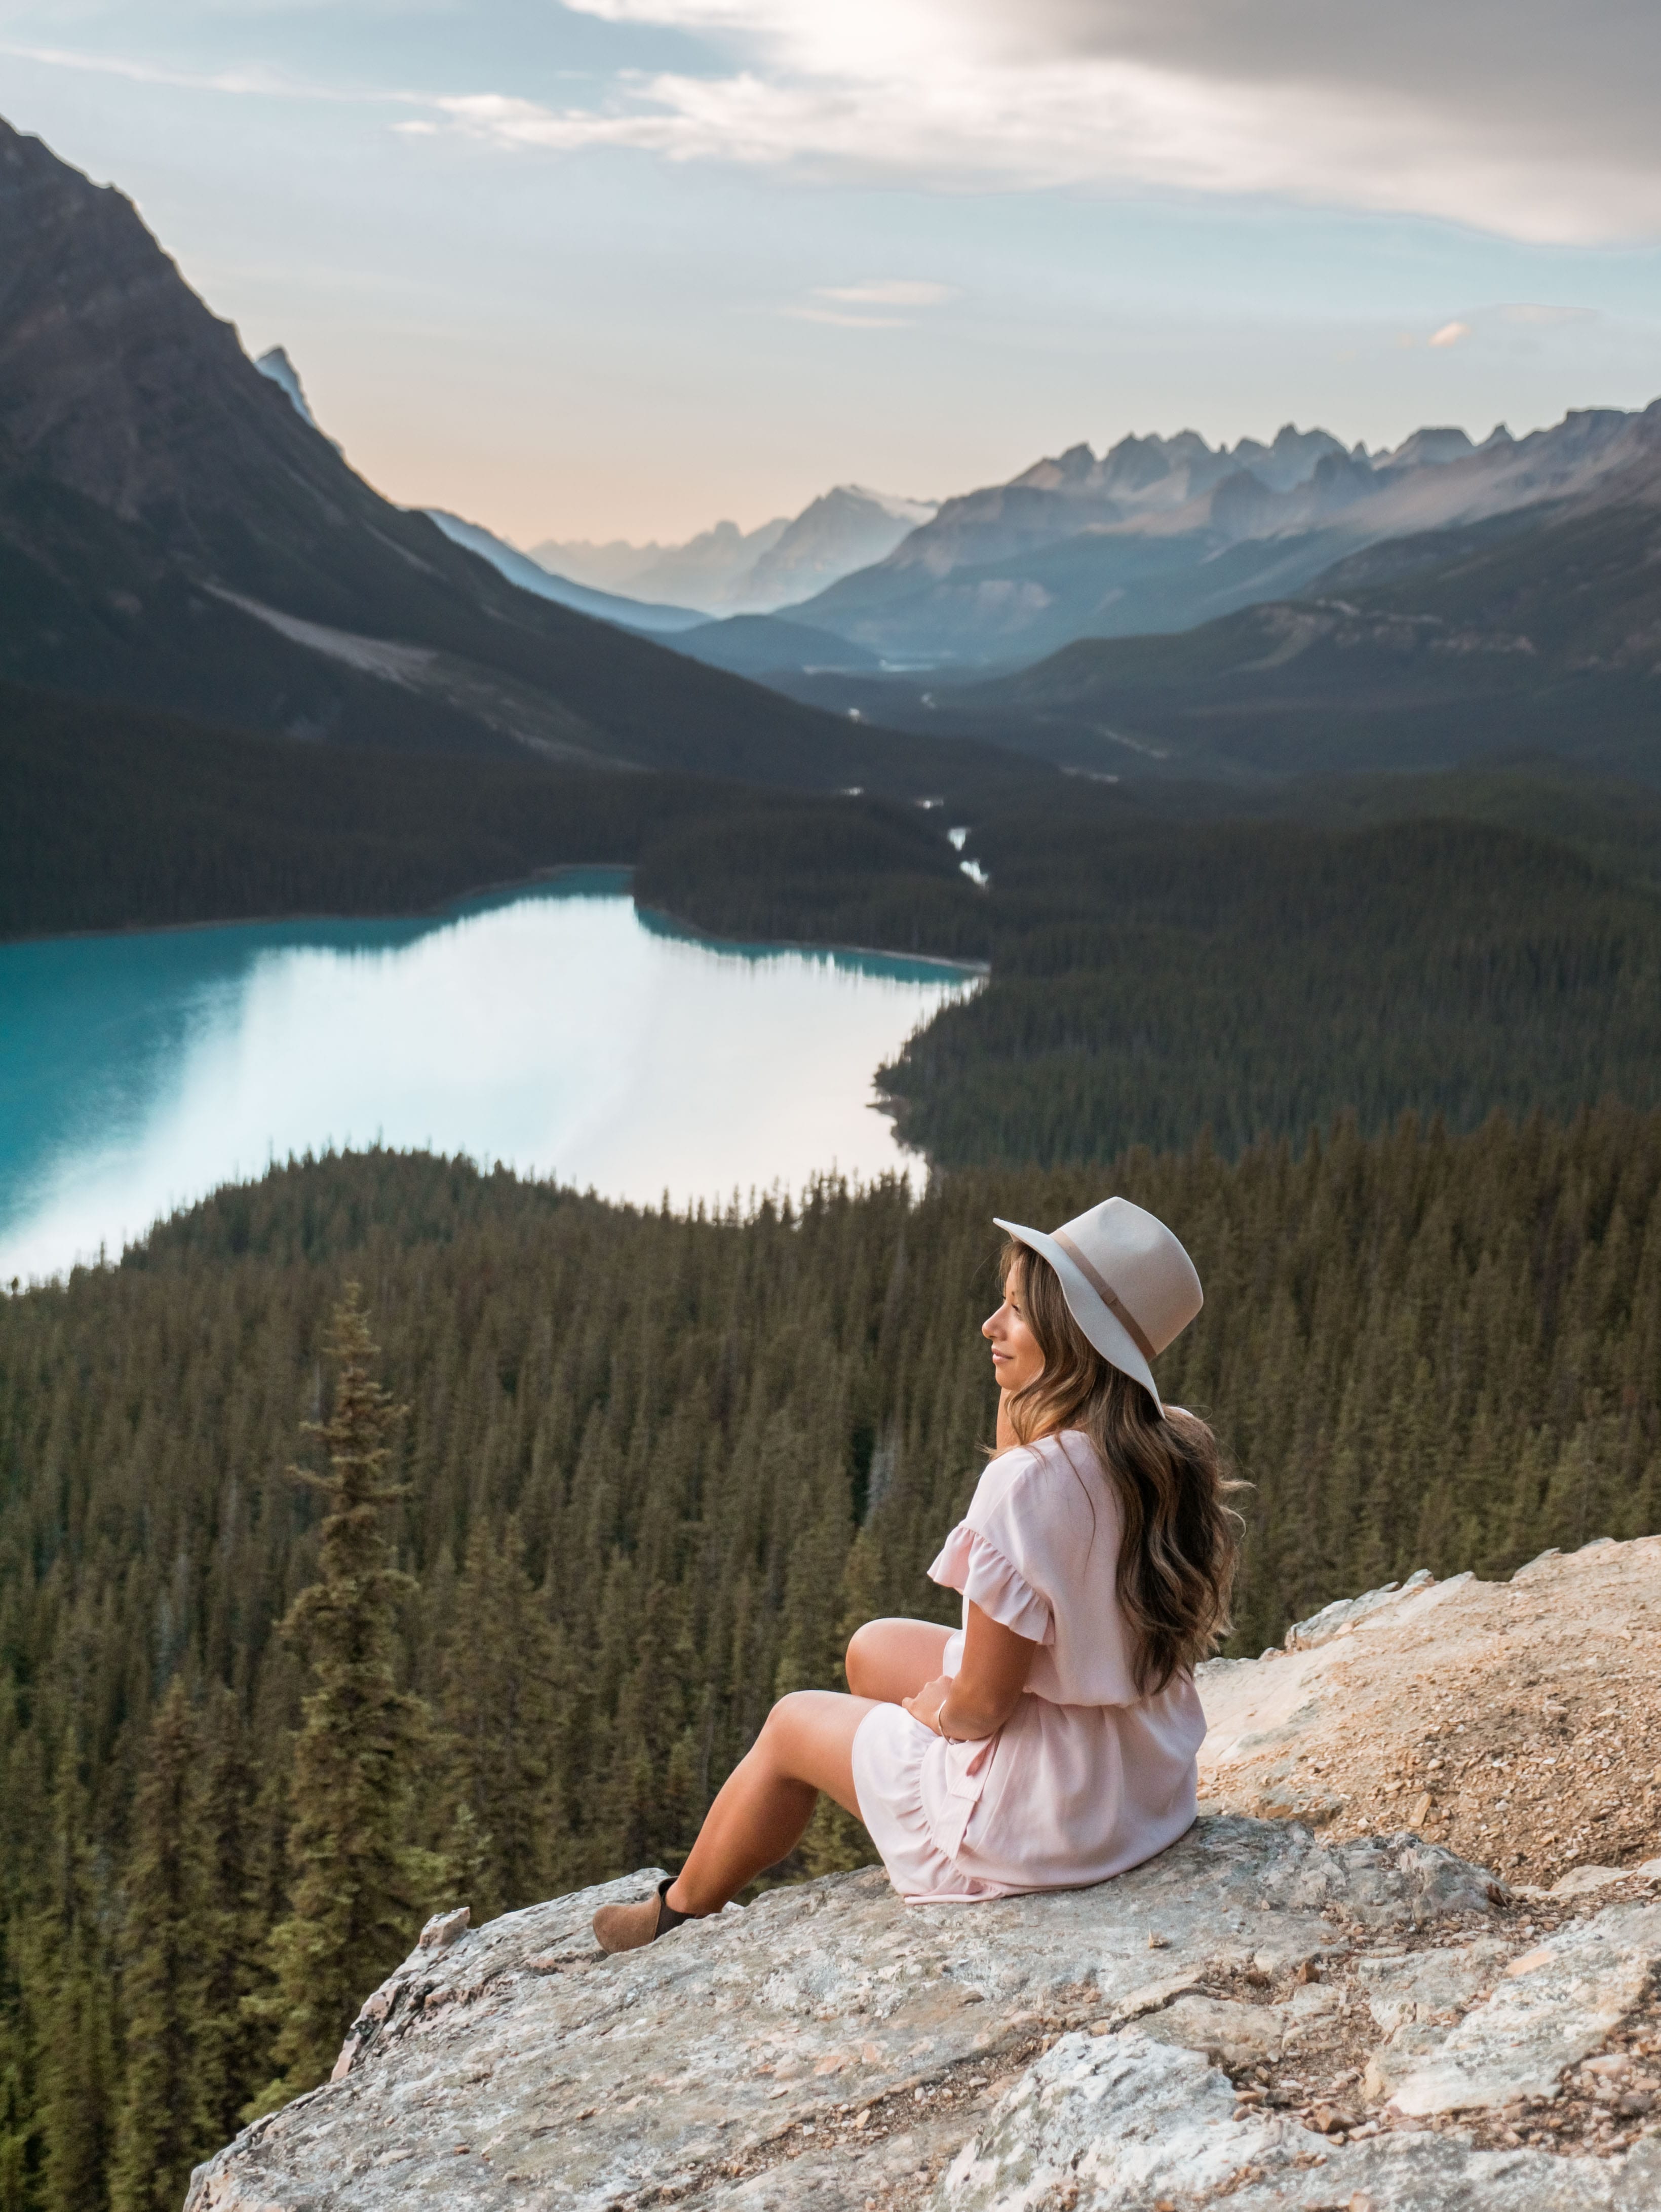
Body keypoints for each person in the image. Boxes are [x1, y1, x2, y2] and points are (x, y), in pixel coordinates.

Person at [592, 1195, 1241, 1952]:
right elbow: (1057, 1571)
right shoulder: (1168, 1449)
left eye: (1016, 1314)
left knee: (792, 1725)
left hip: (1047, 1826)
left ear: (1074, 1341)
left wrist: (941, 1713)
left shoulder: (1027, 1483)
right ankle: (901, 1777)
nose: (989, 1327)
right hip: (1140, 1789)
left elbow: (985, 1706)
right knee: (872, 1647)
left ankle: (674, 1914)